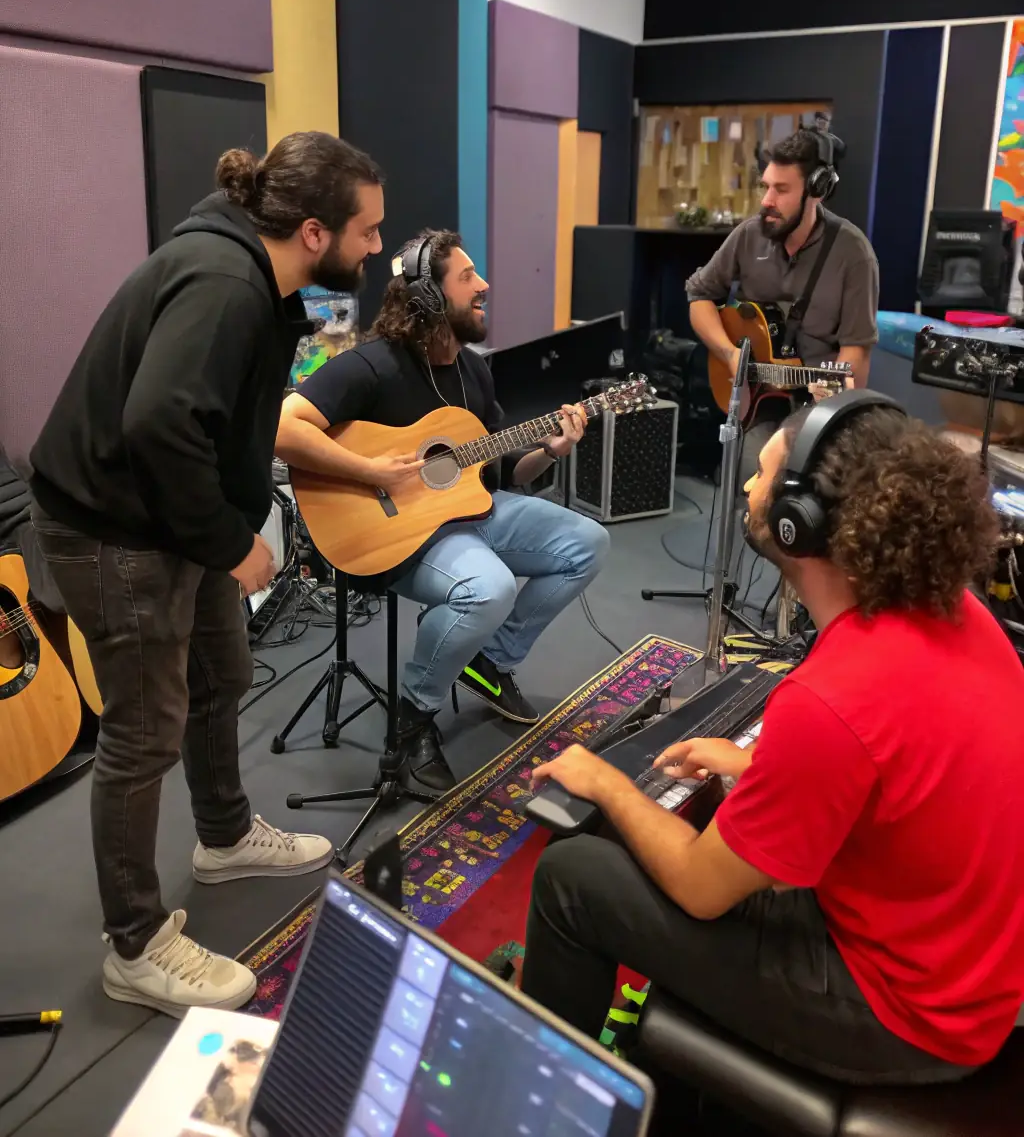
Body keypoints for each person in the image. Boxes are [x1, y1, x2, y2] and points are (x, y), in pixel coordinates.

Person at [520, 394, 1024, 1083]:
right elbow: (899, 759)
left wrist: (606, 779)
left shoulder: (831, 699)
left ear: (799, 525)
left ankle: (548, 1102)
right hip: (970, 971)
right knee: (696, 818)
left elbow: (701, 888)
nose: (750, 487)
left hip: (906, 1016)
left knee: (571, 876)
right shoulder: (955, 607)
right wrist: (759, 762)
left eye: (762, 476)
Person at [30, 131, 385, 1017]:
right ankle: (135, 945)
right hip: (110, 529)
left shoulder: (254, 269)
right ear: (313, 231)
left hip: (169, 521)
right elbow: (158, 424)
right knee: (144, 732)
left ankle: (223, 836)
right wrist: (234, 545)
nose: (377, 247)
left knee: (222, 670)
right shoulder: (227, 284)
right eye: (367, 232)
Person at [275, 230, 610, 797]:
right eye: (467, 278)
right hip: (398, 535)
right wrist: (375, 474)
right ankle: (415, 715)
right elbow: (284, 426)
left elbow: (502, 476)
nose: (484, 286)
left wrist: (551, 448)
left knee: (588, 542)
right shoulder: (373, 366)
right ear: (429, 297)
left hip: (470, 513)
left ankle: (489, 660)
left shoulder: (474, 371)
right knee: (489, 587)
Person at [686, 128, 879, 479]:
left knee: (786, 476)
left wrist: (832, 399)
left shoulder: (853, 254)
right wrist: (729, 353)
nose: (766, 200)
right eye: (766, 186)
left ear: (816, 191)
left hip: (815, 401)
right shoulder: (749, 235)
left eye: (781, 189)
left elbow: (856, 356)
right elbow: (699, 297)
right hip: (757, 398)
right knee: (750, 472)